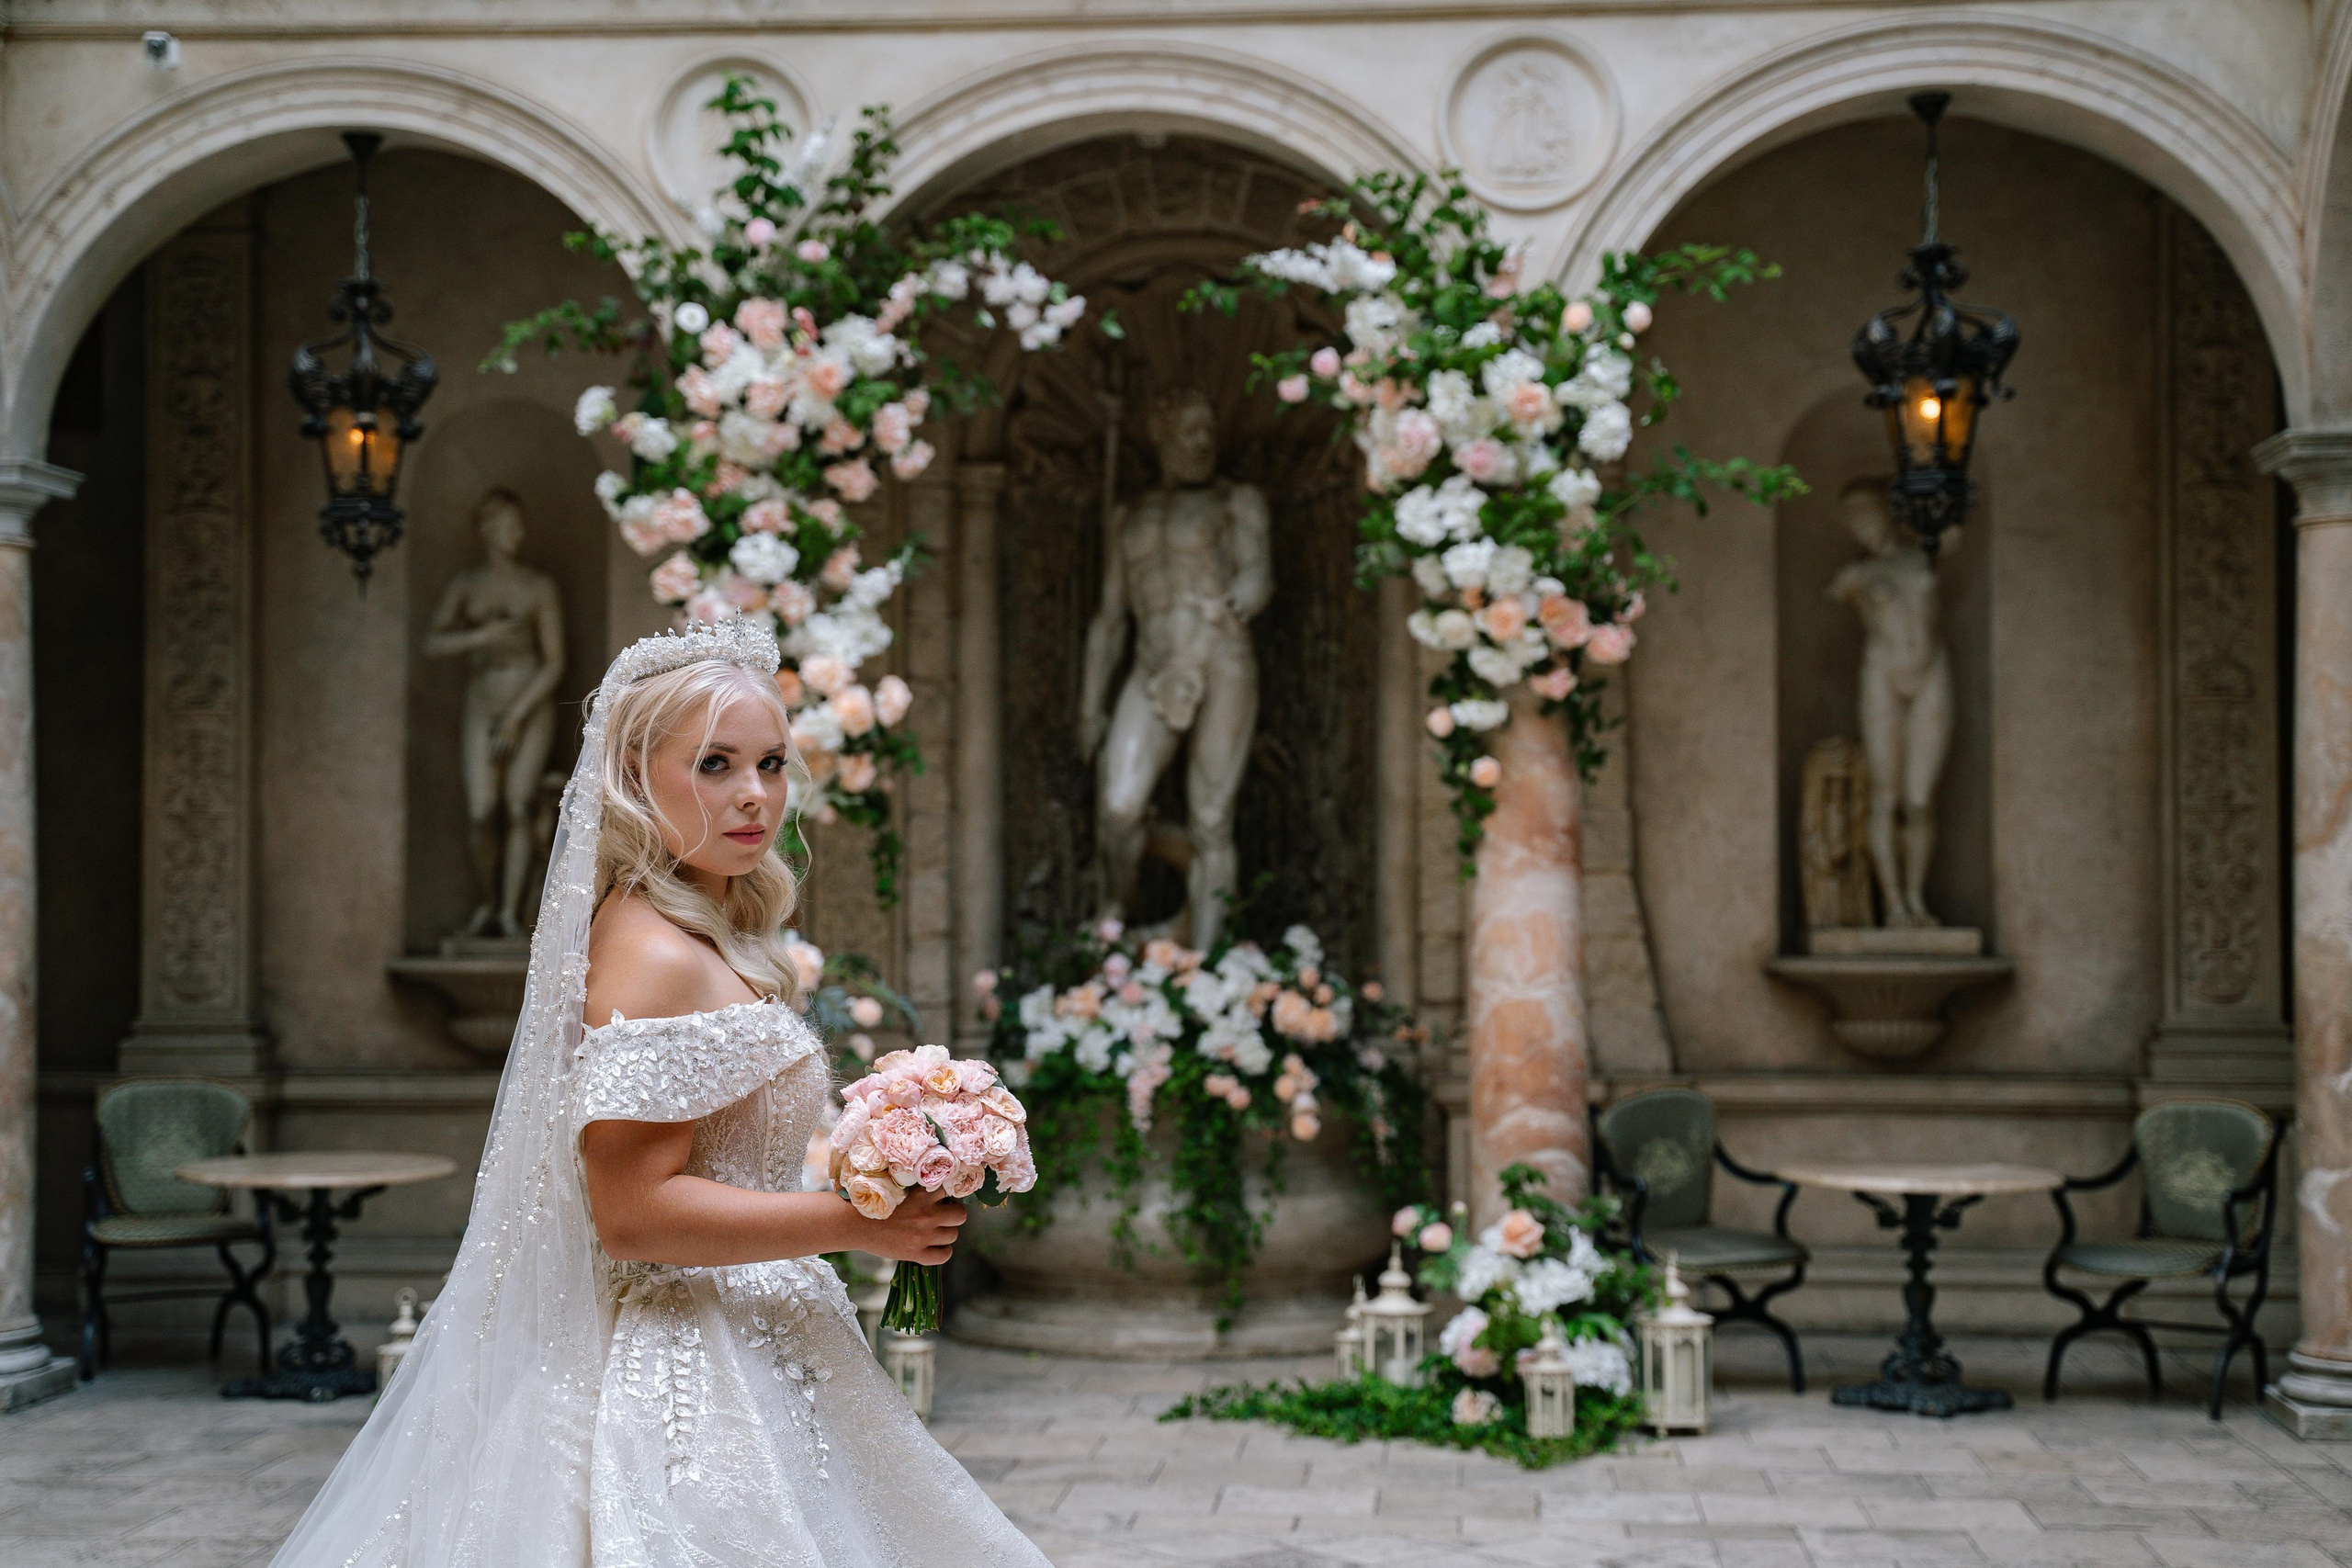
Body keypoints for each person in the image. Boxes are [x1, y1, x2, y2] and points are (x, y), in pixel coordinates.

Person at [270, 617, 1048, 1566]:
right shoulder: (652, 955)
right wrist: (854, 1223)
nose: (755, 794)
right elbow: (633, 1216)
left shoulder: (695, 929)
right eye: (715, 764)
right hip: (683, 1361)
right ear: (636, 778)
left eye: (770, 764)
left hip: (754, 1328)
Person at [1078, 387, 1272, 949]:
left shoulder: (1237, 501)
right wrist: (1089, 708)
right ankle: (1116, 909)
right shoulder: (1128, 515)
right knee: (1119, 806)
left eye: (1209, 430)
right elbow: (1110, 619)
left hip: (1220, 657)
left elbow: (1259, 573)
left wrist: (1239, 600)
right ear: (1161, 437)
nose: (1203, 441)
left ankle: (1209, 966)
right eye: (1190, 430)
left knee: (1211, 818)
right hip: (1152, 666)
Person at [421, 489, 566, 940]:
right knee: (482, 809)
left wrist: (517, 715)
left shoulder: (538, 586)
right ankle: (486, 901)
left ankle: (509, 912)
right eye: (508, 526)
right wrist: (482, 638)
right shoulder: (467, 584)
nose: (517, 534)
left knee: (518, 804)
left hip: (528, 699)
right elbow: (433, 643)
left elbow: (555, 662)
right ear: (487, 529)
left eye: (519, 526)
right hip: (483, 697)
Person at [1829, 479, 1952, 929]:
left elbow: (1953, 532)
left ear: (1886, 511)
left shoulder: (1925, 555)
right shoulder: (1854, 576)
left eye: (1865, 516)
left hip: (1931, 672)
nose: (1861, 528)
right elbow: (1834, 594)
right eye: (1853, 523)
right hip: (1882, 674)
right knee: (1885, 794)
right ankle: (1894, 903)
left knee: (1919, 799)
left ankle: (1917, 898)